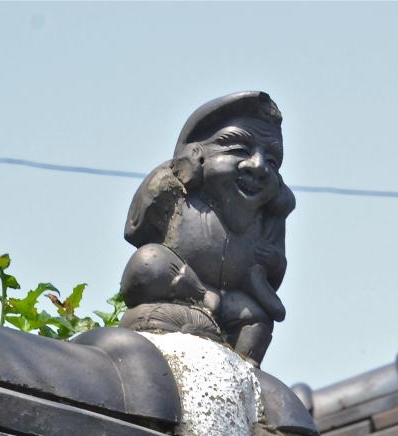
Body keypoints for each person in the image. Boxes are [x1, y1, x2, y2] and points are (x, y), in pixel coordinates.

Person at [119, 92, 296, 365]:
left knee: (257, 319)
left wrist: (272, 261)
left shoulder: (267, 216)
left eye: (272, 161)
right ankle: (201, 297)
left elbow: (275, 273)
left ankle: (245, 369)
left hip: (231, 302)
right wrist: (170, 175)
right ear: (196, 153)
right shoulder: (179, 185)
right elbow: (136, 228)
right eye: (239, 150)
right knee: (147, 262)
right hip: (178, 282)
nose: (259, 166)